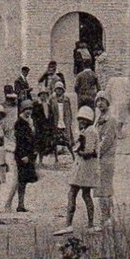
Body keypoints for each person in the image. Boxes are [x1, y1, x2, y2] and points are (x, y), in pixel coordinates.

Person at [53, 105, 98, 236]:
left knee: (74, 193)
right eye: (80, 119)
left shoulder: (89, 132)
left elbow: (89, 151)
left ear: (88, 120)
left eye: (84, 119)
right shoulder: (89, 130)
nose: (81, 121)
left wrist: (78, 150)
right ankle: (89, 225)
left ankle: (70, 224)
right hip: (85, 166)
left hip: (84, 167)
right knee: (84, 195)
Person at [92, 90, 121, 230]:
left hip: (106, 159)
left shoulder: (111, 119)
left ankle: (106, 219)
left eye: (103, 100)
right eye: (98, 101)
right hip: (99, 159)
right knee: (100, 190)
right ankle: (105, 219)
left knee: (105, 190)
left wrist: (94, 152)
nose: (100, 103)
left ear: (108, 102)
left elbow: (106, 141)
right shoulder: (99, 118)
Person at [12, 100, 38, 212]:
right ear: (23, 110)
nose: (29, 111)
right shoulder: (19, 123)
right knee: (21, 180)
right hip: (22, 155)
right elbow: (20, 141)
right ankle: (20, 204)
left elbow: (33, 137)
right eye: (27, 109)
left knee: (25, 180)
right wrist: (23, 155)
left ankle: (21, 204)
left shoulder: (30, 121)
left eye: (30, 109)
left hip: (29, 154)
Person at [0, 100, 18, 213]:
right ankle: (5, 204)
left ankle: (6, 203)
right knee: (9, 179)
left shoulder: (8, 122)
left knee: (11, 179)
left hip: (9, 150)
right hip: (6, 152)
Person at [52, 82, 76, 162]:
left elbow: (69, 112)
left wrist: (68, 123)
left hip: (64, 122)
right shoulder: (52, 99)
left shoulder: (66, 99)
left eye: (60, 89)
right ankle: (56, 158)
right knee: (55, 141)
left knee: (67, 141)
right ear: (55, 90)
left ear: (63, 90)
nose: (59, 91)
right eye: (57, 89)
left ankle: (73, 156)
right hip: (56, 122)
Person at [32, 88, 53, 163]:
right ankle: (35, 160)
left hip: (46, 127)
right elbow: (34, 116)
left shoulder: (49, 105)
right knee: (38, 143)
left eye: (45, 95)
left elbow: (51, 116)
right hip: (39, 126)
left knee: (45, 143)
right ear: (39, 96)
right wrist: (35, 125)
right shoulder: (36, 105)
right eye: (42, 95)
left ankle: (41, 160)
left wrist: (50, 126)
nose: (44, 96)